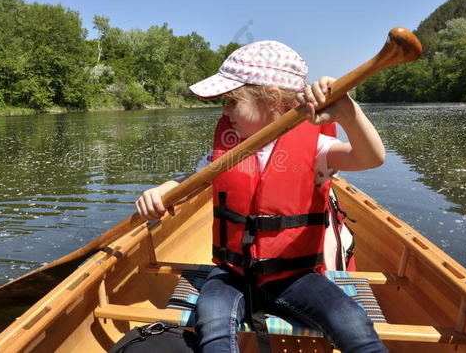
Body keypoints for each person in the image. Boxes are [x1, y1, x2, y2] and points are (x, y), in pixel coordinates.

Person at [135, 40, 387, 353]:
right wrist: (162, 191)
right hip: (232, 275)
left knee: (353, 320)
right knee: (212, 323)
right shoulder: (227, 148)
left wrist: (349, 113)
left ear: (271, 98)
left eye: (231, 101)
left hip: (297, 277)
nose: (225, 111)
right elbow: (190, 185)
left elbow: (371, 158)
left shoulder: (317, 149)